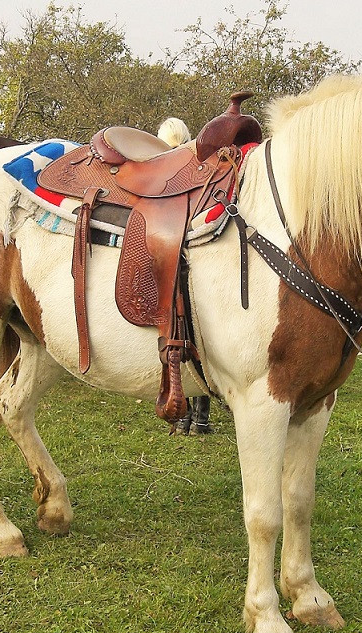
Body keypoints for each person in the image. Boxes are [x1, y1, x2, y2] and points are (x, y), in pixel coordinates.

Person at [155, 118, 214, 435]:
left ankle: (185, 416)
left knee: (179, 326)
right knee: (199, 333)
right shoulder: (203, 172)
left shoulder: (162, 177)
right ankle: (199, 417)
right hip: (201, 260)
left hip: (177, 258)